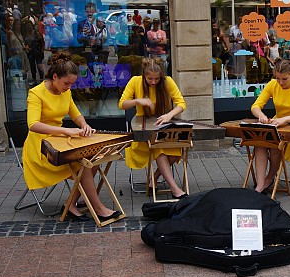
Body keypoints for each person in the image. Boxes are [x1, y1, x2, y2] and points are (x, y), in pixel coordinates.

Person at [22, 51, 121, 221]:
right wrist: (67, 131)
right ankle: (99, 209)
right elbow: (33, 125)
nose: (69, 88)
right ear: (54, 76)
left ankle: (71, 205)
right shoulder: (36, 93)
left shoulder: (65, 91)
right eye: (66, 83)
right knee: (84, 164)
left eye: (72, 84)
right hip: (41, 147)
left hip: (59, 140)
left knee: (93, 158)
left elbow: (75, 114)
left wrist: (84, 125)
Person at [118, 57, 188, 199]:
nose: (153, 82)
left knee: (176, 153)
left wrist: (169, 115)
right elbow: (122, 104)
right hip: (143, 131)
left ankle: (154, 177)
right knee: (159, 149)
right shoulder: (135, 81)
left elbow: (181, 103)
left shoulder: (167, 81)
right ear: (144, 75)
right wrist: (138, 100)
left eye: (157, 79)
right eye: (150, 79)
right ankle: (175, 189)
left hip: (163, 126)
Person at [250, 59, 290, 194]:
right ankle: (260, 186)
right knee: (259, 143)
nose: (280, 82)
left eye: (284, 79)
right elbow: (255, 106)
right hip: (277, 124)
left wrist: (284, 119)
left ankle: (270, 178)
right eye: (277, 78)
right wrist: (261, 115)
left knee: (275, 146)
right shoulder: (273, 84)